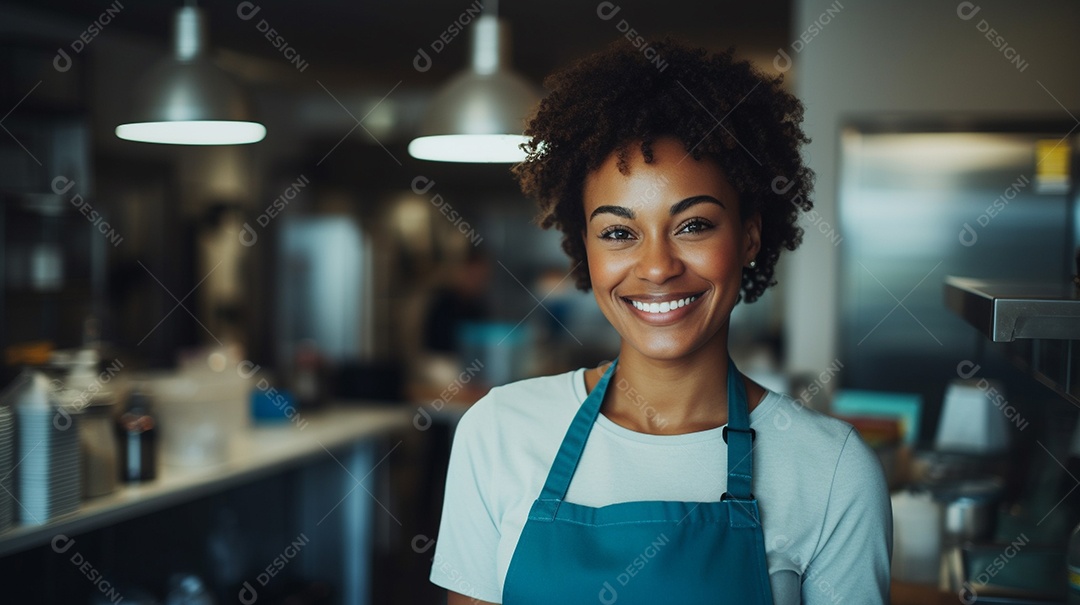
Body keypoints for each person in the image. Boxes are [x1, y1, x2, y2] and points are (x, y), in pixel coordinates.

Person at [429, 39, 891, 604]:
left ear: (748, 236)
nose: (657, 267)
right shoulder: (498, 431)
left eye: (694, 225)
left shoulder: (831, 470)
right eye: (620, 233)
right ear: (586, 249)